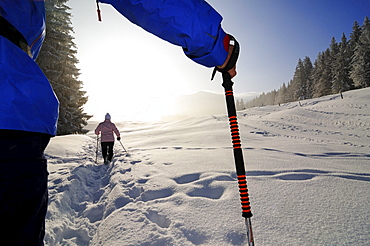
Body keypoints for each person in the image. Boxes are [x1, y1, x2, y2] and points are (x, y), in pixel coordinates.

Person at [0, 0, 239, 244]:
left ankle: (108, 159)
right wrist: (214, 44)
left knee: (107, 149)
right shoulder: (106, 125)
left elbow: (109, 129)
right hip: (12, 116)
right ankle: (106, 159)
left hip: (13, 112)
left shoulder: (108, 125)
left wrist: (112, 133)